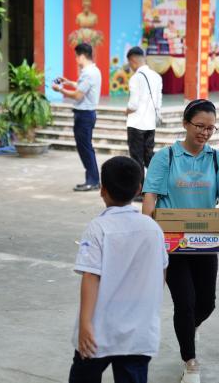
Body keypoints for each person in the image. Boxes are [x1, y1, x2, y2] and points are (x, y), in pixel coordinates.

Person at [142, 99, 219, 383]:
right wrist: (147, 233)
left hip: (205, 242)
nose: (205, 133)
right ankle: (191, 363)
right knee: (184, 303)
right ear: (185, 124)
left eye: (211, 128)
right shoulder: (166, 157)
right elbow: (150, 198)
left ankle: (188, 328)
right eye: (199, 126)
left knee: (206, 303)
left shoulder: (217, 159)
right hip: (171, 245)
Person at [68, 156, 168, 383]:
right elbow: (160, 274)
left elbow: (91, 276)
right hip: (138, 332)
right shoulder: (153, 228)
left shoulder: (98, 227)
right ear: (139, 189)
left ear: (102, 190)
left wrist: (85, 324)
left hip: (98, 330)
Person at [52, 43, 101, 192]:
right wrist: (68, 82)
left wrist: (60, 89)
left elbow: (78, 95)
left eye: (76, 56)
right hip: (87, 114)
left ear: (81, 56)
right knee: (86, 148)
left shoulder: (88, 73)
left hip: (84, 115)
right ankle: (92, 179)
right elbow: (82, 86)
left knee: (85, 149)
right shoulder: (93, 70)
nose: (76, 59)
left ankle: (92, 181)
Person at [125, 46, 163, 200]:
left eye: (130, 63)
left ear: (133, 60)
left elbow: (133, 105)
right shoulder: (156, 76)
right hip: (150, 123)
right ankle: (158, 185)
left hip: (136, 124)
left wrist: (126, 111)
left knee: (137, 159)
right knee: (149, 157)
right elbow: (159, 102)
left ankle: (140, 191)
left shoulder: (135, 78)